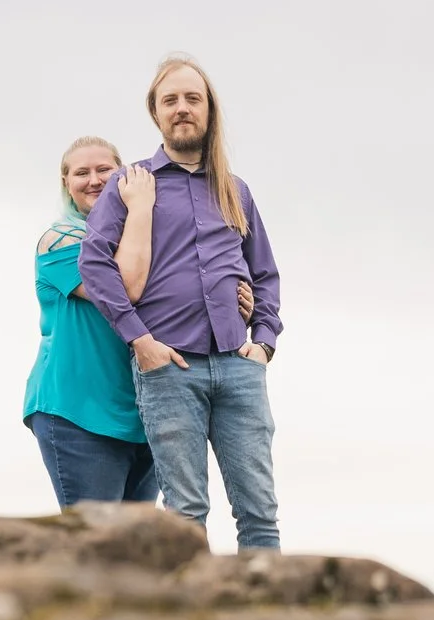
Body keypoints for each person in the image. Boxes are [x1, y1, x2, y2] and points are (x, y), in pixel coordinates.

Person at [78, 54, 284, 549]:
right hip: (168, 368)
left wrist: (265, 343)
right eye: (170, 100)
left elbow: (265, 273)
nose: (182, 108)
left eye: (193, 98)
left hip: (238, 366)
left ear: (209, 110)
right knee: (186, 512)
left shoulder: (235, 191)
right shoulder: (132, 183)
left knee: (259, 510)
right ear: (156, 113)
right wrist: (140, 340)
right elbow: (94, 264)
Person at [21, 137, 164, 508]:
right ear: (66, 184)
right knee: (96, 551)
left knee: (135, 552)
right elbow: (126, 287)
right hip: (77, 412)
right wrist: (142, 208)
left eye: (105, 170)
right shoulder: (60, 242)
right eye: (81, 173)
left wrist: (239, 301)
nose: (94, 180)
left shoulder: (142, 238)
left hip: (142, 416)